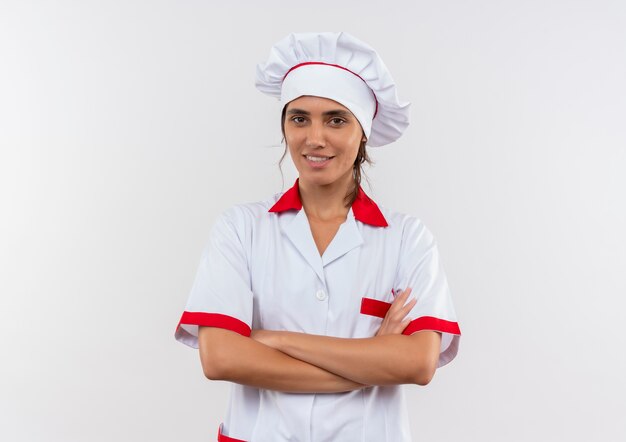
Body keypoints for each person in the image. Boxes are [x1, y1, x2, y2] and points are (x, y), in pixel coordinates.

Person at [175, 32, 461, 442]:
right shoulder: (240, 228)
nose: (314, 138)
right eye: (299, 118)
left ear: (363, 132)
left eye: (336, 119)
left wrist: (272, 340)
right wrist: (368, 361)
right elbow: (220, 357)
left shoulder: (407, 239)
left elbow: (417, 363)